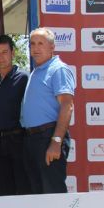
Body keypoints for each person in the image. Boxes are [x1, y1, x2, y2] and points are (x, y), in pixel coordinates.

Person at [20, 27, 74, 194]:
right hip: (32, 139)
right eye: (32, 44)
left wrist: (56, 141)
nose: (35, 48)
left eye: (41, 44)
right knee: (37, 194)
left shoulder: (58, 69)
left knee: (52, 193)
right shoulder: (37, 71)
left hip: (48, 137)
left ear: (52, 47)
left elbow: (67, 105)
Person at [0, 34, 31, 196]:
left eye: (4, 52)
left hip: (19, 141)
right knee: (5, 190)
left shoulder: (24, 78)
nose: (1, 57)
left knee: (23, 189)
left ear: (12, 53)